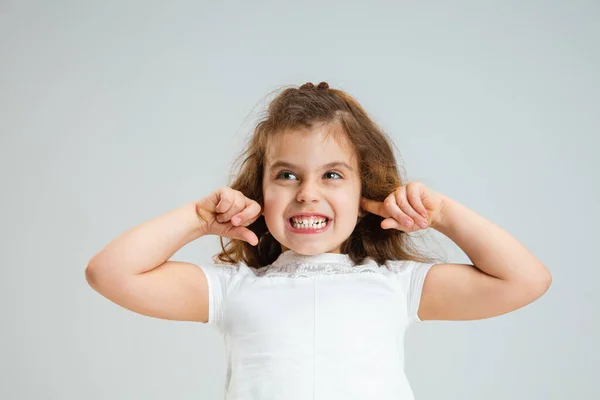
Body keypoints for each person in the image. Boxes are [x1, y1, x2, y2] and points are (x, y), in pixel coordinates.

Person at [85, 81, 552, 400]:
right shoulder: (235, 288)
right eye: (287, 175)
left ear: (364, 191)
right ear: (260, 191)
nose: (307, 193)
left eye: (332, 175)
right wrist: (197, 218)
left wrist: (442, 214)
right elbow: (109, 273)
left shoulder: (396, 285)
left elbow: (525, 280)